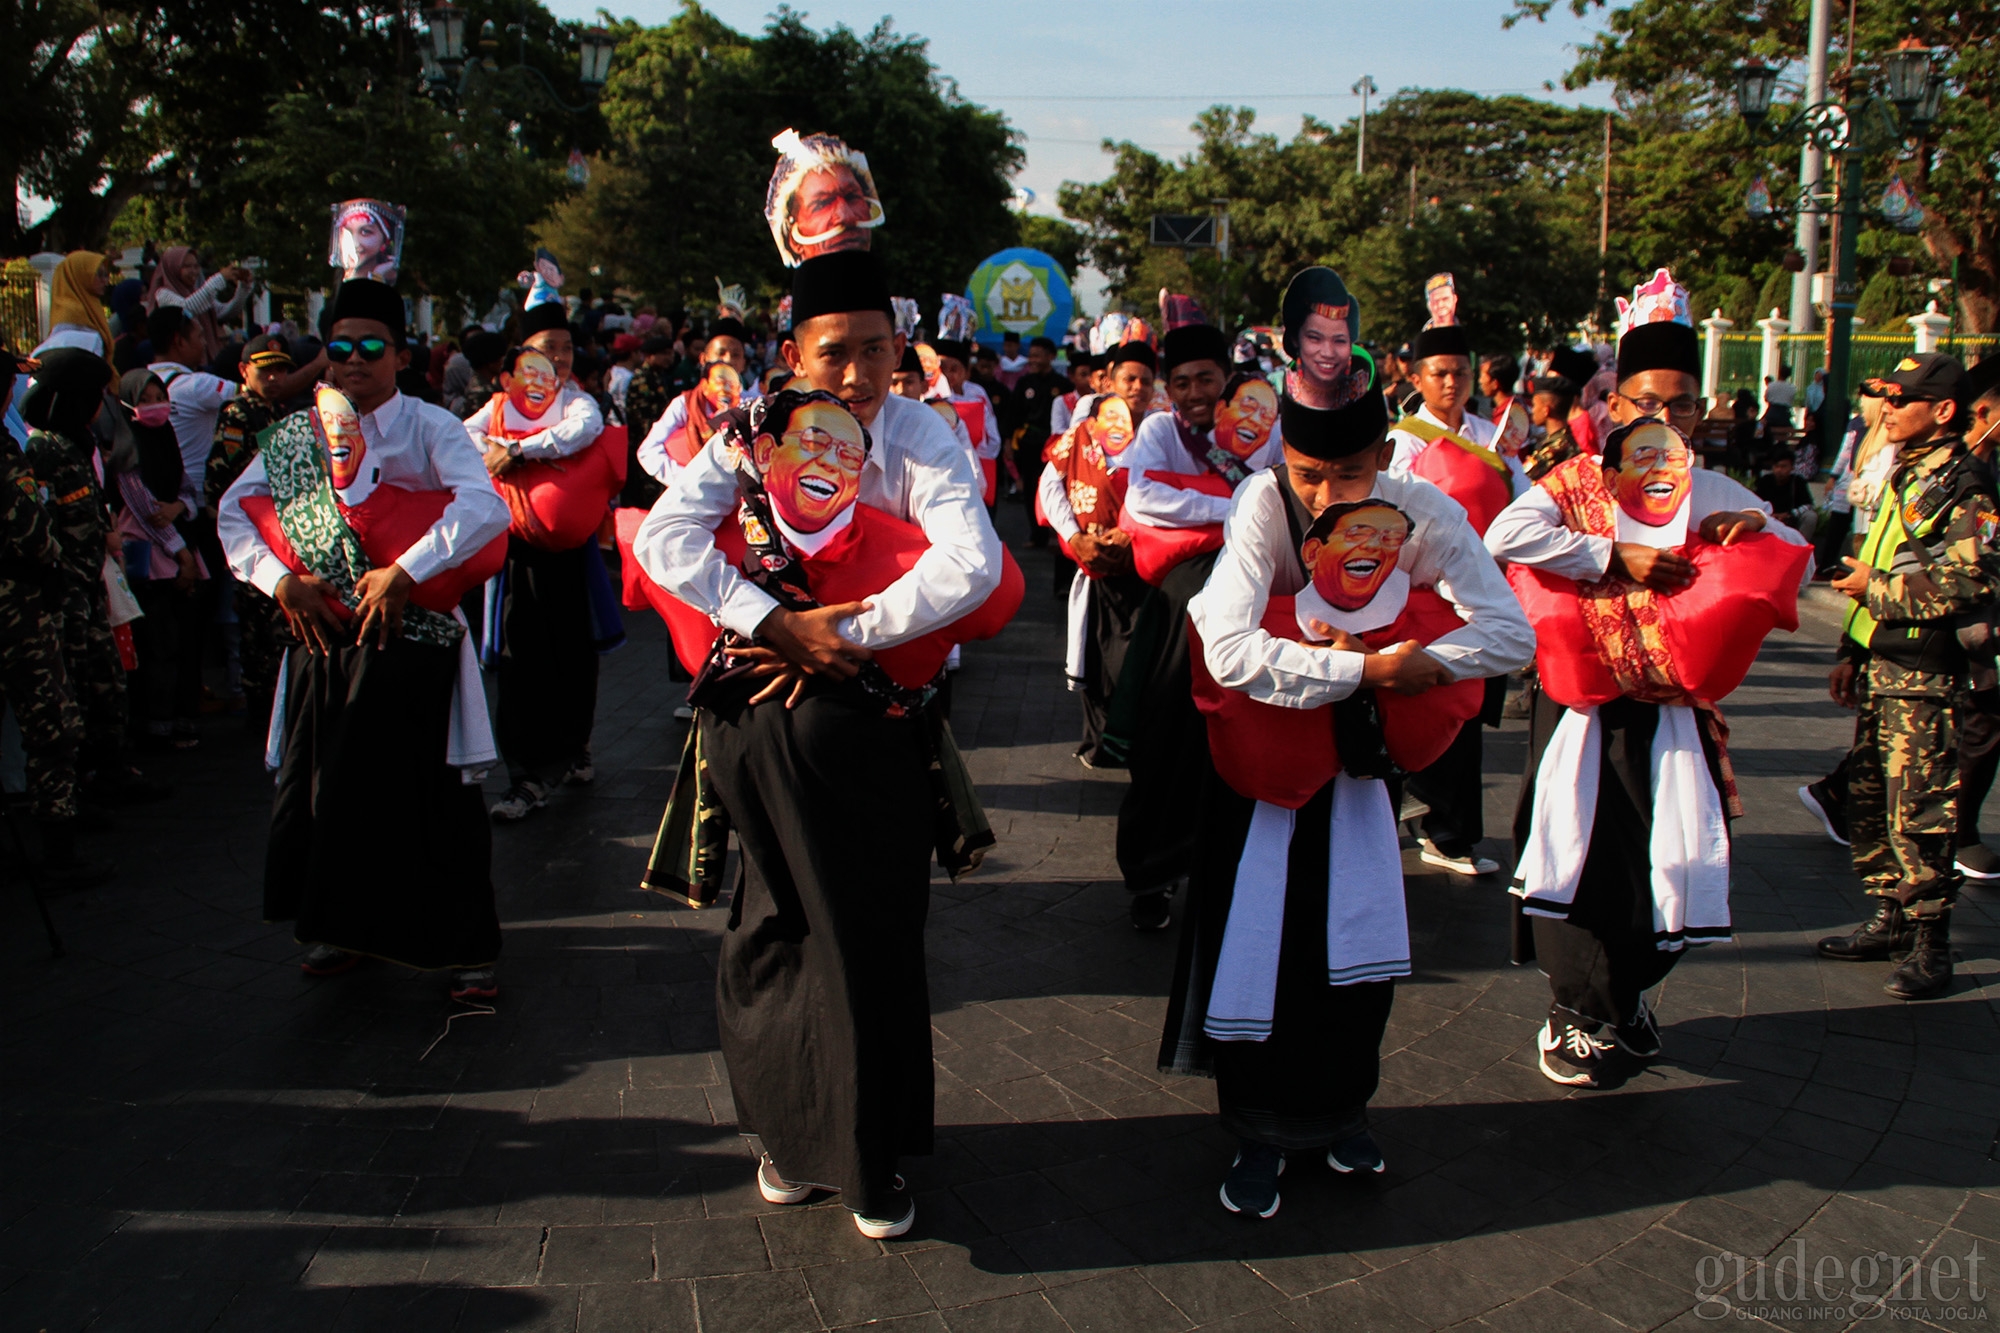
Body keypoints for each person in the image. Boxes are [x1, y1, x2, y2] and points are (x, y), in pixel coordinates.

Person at [633, 248, 1004, 1240]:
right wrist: (766, 620)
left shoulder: (922, 432)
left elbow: (974, 562)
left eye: (877, 352)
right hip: (757, 719)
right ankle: (787, 1135)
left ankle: (868, 1151)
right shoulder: (750, 432)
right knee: (774, 923)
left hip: (873, 720)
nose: (856, 376)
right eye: (835, 353)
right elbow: (663, 540)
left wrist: (841, 632)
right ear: (792, 351)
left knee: (866, 928)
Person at [1168, 381, 1531, 1215]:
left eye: (1349, 474)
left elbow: (1511, 631)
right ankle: (1258, 1128)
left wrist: (1415, 656)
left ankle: (1341, 1113)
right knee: (1268, 945)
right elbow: (1226, 646)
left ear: (1388, 459)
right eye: (1307, 474)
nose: (1325, 497)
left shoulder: (1423, 511)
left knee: (1352, 950)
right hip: (1266, 767)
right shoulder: (1262, 504)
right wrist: (1365, 667)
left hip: (1358, 771)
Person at [1487, 273, 1810, 1085]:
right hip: (1584, 711)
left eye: (1683, 406)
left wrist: (1753, 528)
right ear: (1615, 403)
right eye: (1646, 402)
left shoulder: (1713, 488)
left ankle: (1628, 997)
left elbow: (1793, 549)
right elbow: (1507, 532)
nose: (1663, 421)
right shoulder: (1572, 484)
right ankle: (1574, 1010)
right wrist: (1609, 553)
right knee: (1579, 851)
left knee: (1668, 859)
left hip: (1673, 715)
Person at [216, 278, 511, 1000]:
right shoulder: (297, 437)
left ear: (400, 354)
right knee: (330, 792)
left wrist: (405, 570)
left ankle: (462, 947)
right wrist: (277, 582)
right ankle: (341, 928)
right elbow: (232, 510)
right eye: (339, 347)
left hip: (418, 645)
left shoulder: (430, 426)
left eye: (370, 346)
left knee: (436, 800)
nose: (353, 361)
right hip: (329, 643)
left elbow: (483, 507)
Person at [1814, 353, 1998, 1000]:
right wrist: (1852, 647)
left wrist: (1878, 591)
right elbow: (1878, 555)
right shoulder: (1907, 473)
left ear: (1942, 410)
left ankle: (1933, 942)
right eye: (1884, 398)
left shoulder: (1967, 483)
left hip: (1929, 674)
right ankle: (1890, 916)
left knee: (1921, 810)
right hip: (1885, 664)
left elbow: (1973, 579)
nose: (1886, 410)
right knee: (1872, 802)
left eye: (1901, 399)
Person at [1113, 317, 1281, 930]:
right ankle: (1152, 874)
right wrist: (1236, 505)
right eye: (1180, 382)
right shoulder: (1159, 430)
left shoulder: (1263, 428)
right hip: (1181, 601)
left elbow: (1285, 489)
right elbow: (1143, 499)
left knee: (1247, 730)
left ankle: (1237, 870)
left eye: (1205, 378)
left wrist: (1222, 505)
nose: (1193, 393)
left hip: (1253, 593)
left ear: (1226, 378)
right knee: (1169, 736)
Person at [463, 289, 610, 822]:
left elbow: (584, 429)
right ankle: (525, 775)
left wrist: (520, 450)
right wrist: (495, 449)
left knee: (574, 654)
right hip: (515, 556)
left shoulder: (575, 400)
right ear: (523, 353)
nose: (561, 358)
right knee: (520, 661)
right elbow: (466, 436)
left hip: (571, 555)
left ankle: (575, 746)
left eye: (568, 347)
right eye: (549, 347)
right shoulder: (499, 405)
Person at [1384, 280, 1515, 877]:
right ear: (1417, 378)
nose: (1450, 382)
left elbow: (1520, 502)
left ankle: (1447, 826)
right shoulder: (1403, 441)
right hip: (1422, 592)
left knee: (1468, 712)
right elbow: (1394, 513)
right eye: (1438, 372)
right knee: (1428, 701)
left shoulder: (1494, 438)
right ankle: (1431, 819)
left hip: (1483, 588)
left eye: (1460, 371)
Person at [21, 349, 161, 813]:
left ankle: (112, 771)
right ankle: (81, 790)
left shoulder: (76, 443)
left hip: (91, 587)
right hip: (65, 595)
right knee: (75, 691)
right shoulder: (43, 449)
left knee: (107, 682)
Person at [0, 350, 103, 887]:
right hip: (19, 611)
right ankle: (57, 853)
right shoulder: (12, 452)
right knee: (52, 727)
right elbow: (35, 539)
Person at [1039, 342, 1156, 760]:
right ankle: (1100, 741)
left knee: (1137, 660)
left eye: (1146, 380)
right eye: (1129, 379)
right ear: (1110, 382)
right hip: (1096, 563)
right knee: (1095, 655)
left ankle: (1132, 740)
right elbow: (1050, 486)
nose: (1138, 388)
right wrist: (1075, 538)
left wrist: (1131, 532)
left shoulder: (1165, 432)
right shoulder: (1085, 434)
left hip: (1147, 565)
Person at [111, 369, 206, 750]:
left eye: (158, 396)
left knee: (185, 640)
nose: (154, 406)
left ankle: (183, 717)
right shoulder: (126, 446)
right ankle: (156, 723)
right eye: (145, 399)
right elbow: (144, 507)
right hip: (150, 557)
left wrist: (181, 506)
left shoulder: (168, 438)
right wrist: (180, 551)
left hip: (180, 548)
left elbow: (187, 490)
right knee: (158, 645)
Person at [206, 334, 295, 723]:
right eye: (265, 370)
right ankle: (262, 706)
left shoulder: (279, 413)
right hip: (255, 530)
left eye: (280, 370)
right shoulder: (238, 415)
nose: (274, 377)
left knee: (276, 625)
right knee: (259, 627)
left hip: (283, 530)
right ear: (244, 371)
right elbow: (222, 477)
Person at [634, 318, 758, 490]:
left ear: (743, 363)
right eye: (720, 353)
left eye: (735, 355)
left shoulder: (755, 405)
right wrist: (687, 480)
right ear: (703, 359)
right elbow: (648, 450)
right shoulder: (685, 404)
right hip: (696, 495)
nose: (728, 360)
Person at [142, 247, 250, 367]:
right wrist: (219, 279)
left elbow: (224, 312)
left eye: (196, 266)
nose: (194, 271)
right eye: (187, 266)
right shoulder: (163, 293)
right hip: (181, 364)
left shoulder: (197, 291)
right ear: (173, 268)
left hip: (207, 358)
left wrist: (243, 288)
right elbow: (185, 310)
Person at [33, 252, 115, 358]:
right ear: (81, 275)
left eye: (106, 275)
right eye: (99, 274)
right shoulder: (72, 311)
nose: (105, 281)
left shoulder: (91, 304)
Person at [1755, 450, 1816, 539]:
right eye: (1777, 466)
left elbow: (1808, 505)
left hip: (1791, 518)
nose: (1779, 470)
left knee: (1811, 516)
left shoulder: (1798, 481)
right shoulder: (1765, 481)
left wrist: (1790, 514)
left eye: (1784, 467)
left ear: (1792, 467)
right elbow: (1757, 503)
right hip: (1769, 519)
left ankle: (1801, 545)